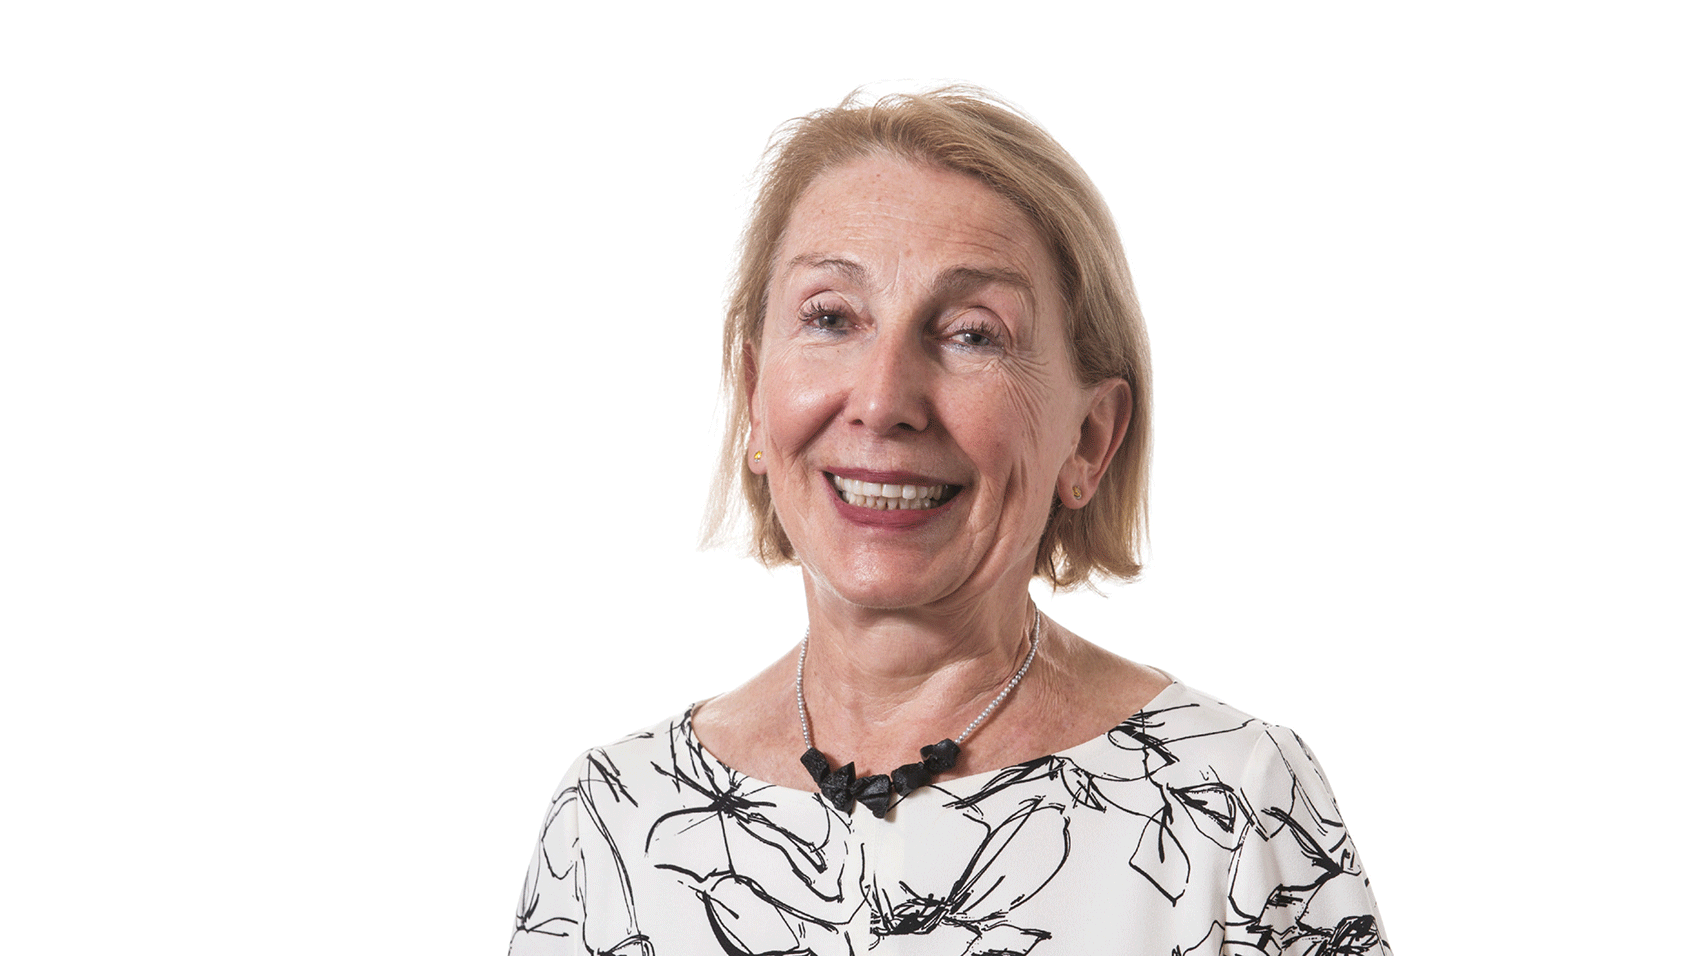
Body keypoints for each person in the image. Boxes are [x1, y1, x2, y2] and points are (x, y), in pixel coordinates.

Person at [510, 87, 1390, 955]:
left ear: (1088, 438)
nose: (885, 398)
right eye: (831, 317)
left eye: (971, 333)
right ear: (752, 397)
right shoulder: (614, 826)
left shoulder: (1231, 807)